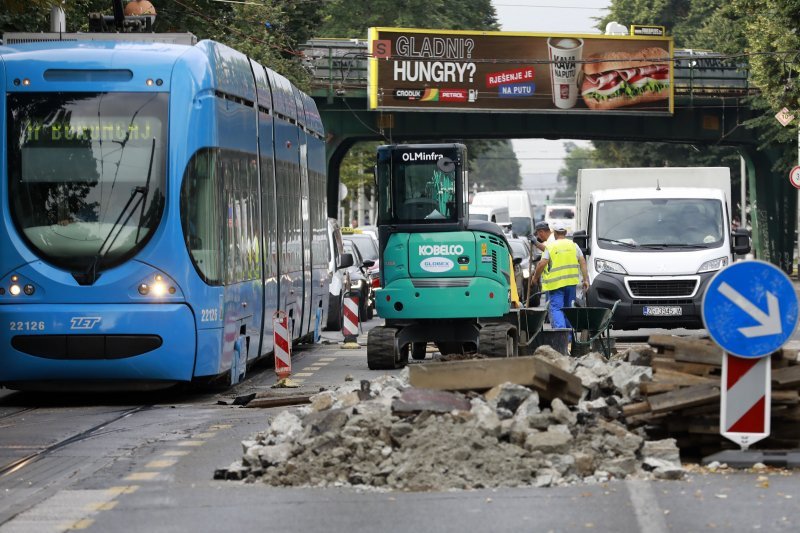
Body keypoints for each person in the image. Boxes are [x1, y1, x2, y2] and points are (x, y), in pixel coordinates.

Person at [531, 221, 590, 330]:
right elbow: (582, 262)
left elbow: (542, 263)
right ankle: (569, 340)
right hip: (571, 283)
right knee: (568, 309)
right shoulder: (574, 246)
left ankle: (561, 335)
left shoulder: (551, 246)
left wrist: (534, 278)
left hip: (556, 284)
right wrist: (586, 279)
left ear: (555, 233)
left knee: (557, 309)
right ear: (566, 232)